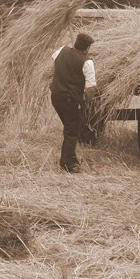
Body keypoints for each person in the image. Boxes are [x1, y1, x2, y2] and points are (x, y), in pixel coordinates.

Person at [49, 32, 97, 173]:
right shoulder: (87, 62)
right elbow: (91, 88)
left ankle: (71, 157)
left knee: (71, 127)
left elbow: (54, 66)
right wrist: (87, 105)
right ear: (87, 48)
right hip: (70, 100)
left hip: (55, 97)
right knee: (71, 130)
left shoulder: (61, 50)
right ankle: (68, 163)